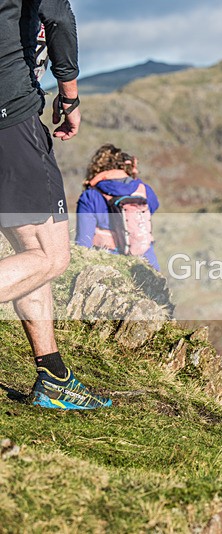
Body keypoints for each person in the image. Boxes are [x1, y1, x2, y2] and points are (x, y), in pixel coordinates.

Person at [0, 0, 110, 409]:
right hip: (9, 116)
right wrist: (70, 95)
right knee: (51, 255)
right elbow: (59, 17)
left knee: (31, 251)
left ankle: (53, 376)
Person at [76, 144, 160, 270]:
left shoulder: (90, 196)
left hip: (107, 267)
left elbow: (83, 242)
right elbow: (152, 208)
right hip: (147, 267)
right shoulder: (144, 190)